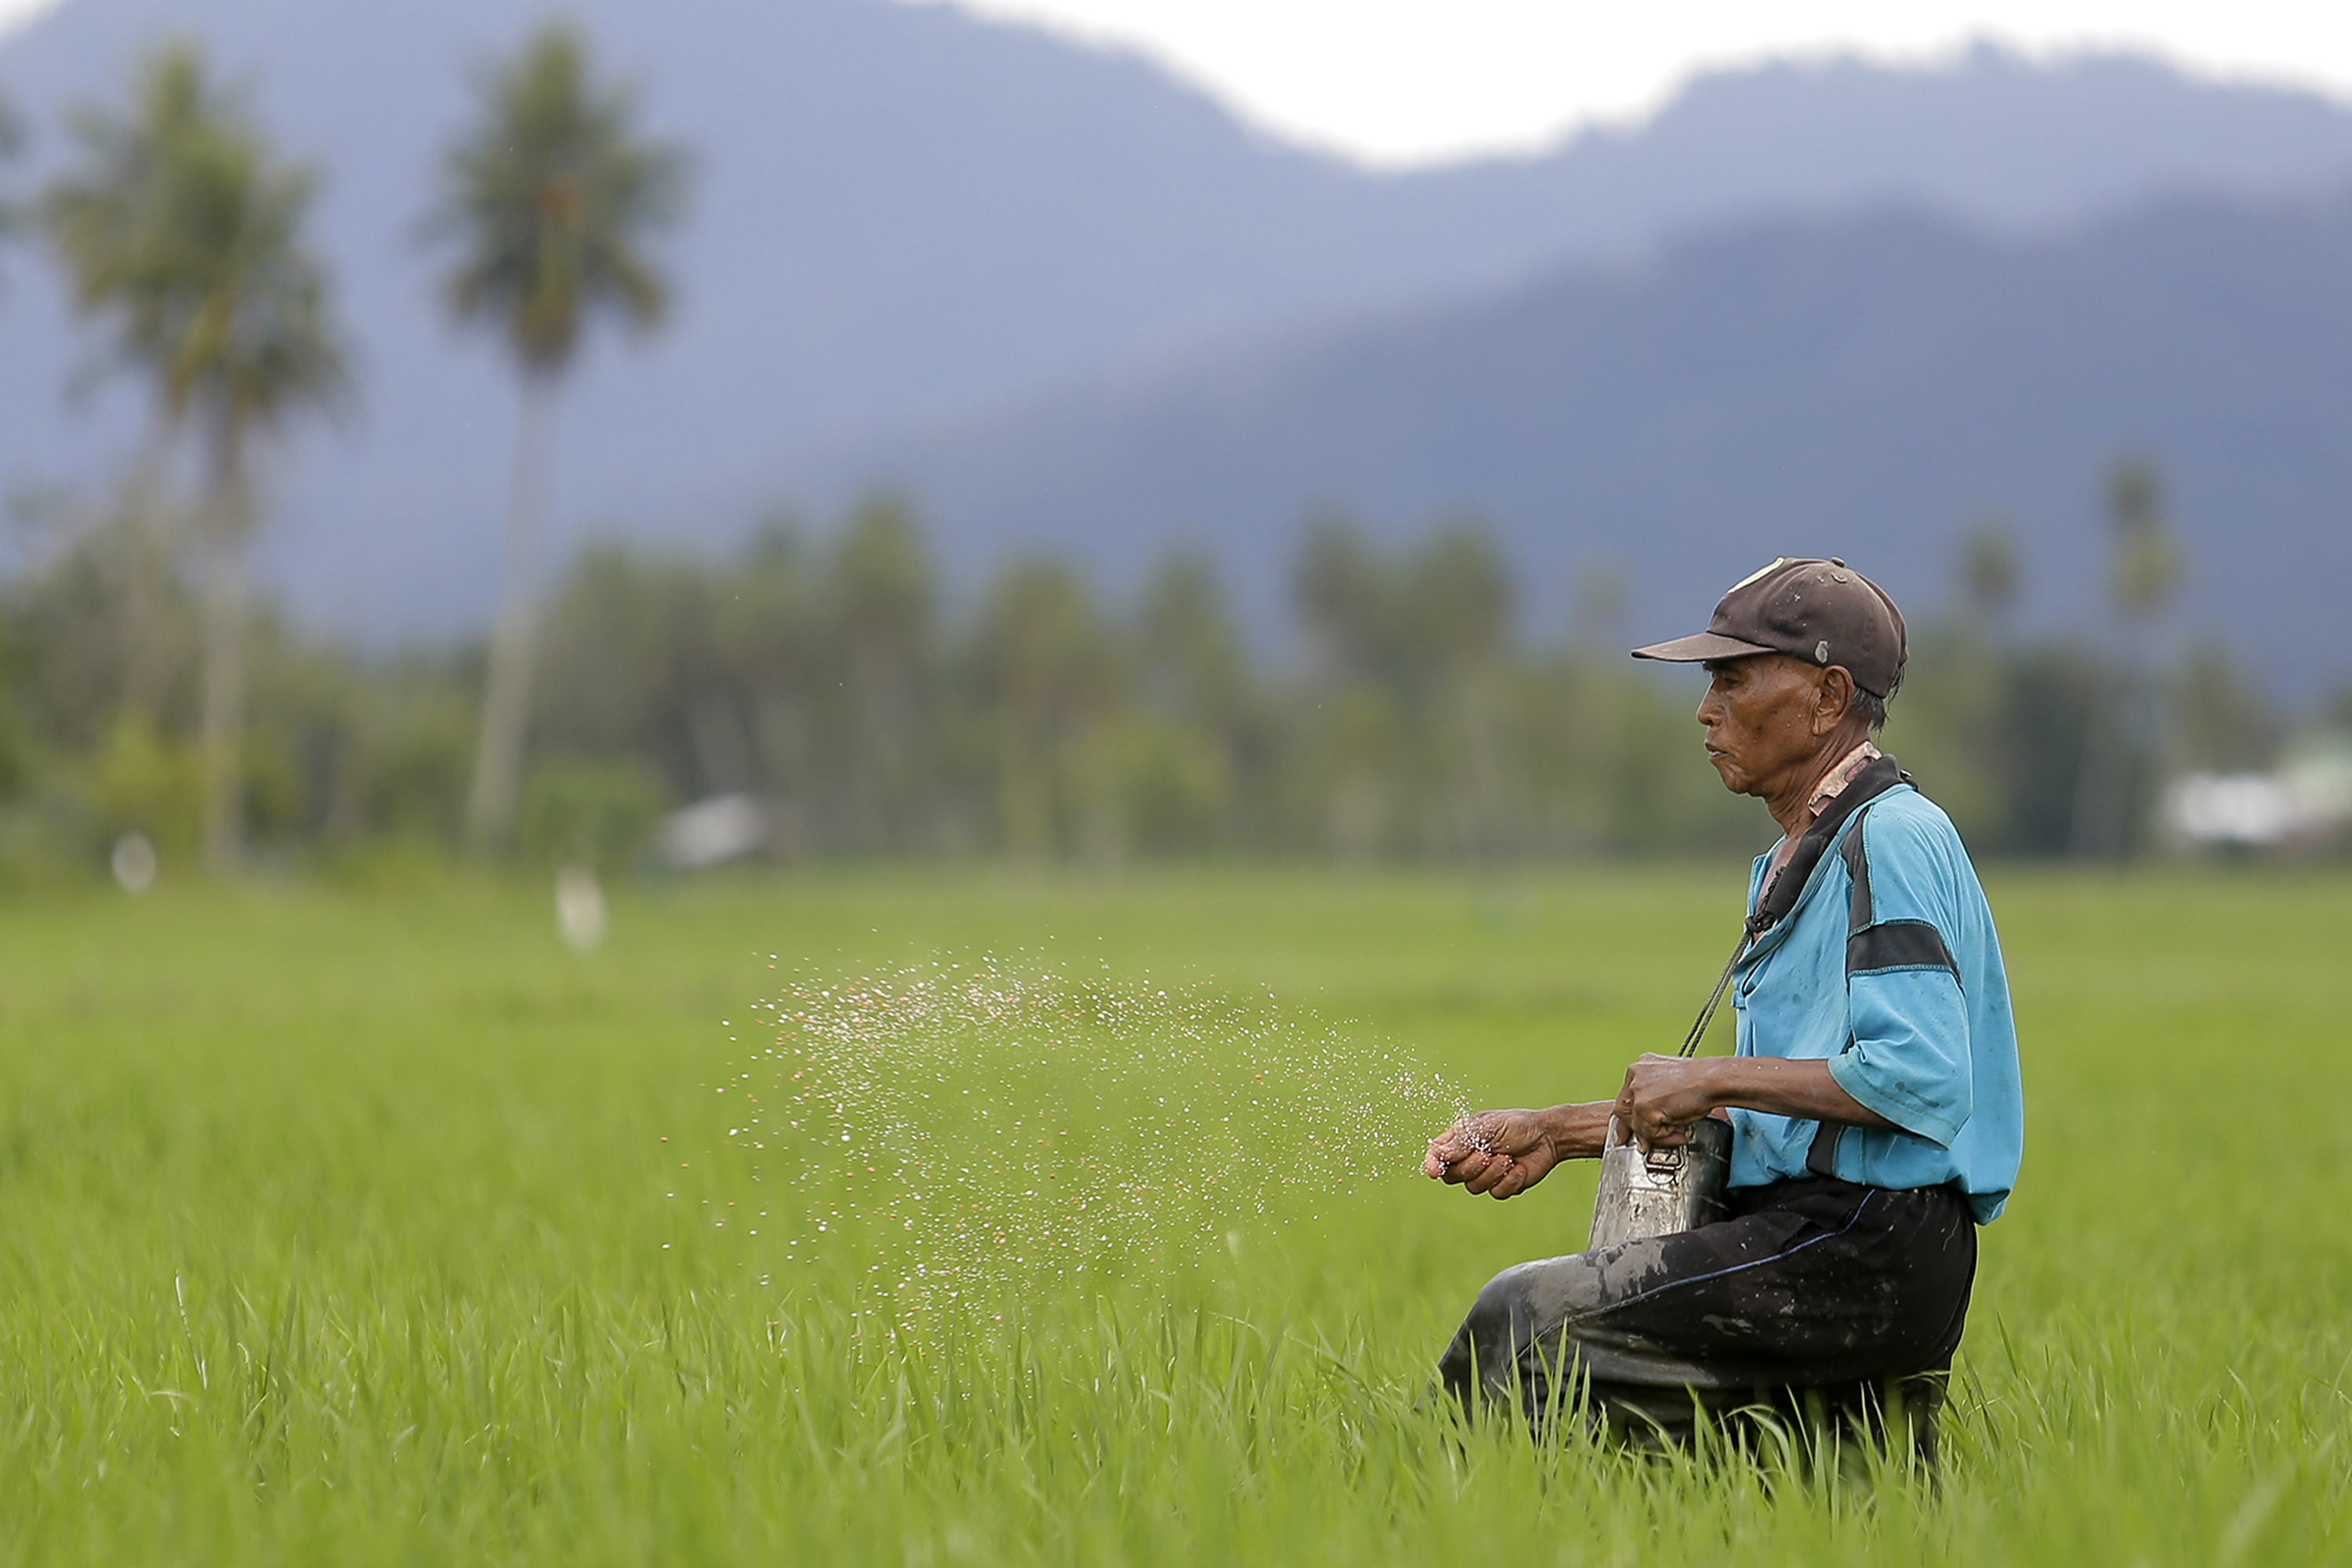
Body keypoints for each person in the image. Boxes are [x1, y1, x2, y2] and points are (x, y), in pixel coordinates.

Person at [1423, 556, 2023, 1461]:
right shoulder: (1804, 853)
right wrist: (1558, 1130)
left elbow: (1918, 1077)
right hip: (1824, 1231)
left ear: (1827, 696)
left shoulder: (1892, 837)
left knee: (1525, 1321)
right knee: (1801, 1492)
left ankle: (1427, 1515)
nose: (1706, 710)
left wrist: (1706, 1076)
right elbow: (1792, 1108)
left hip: (1860, 1242)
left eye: (1733, 679)